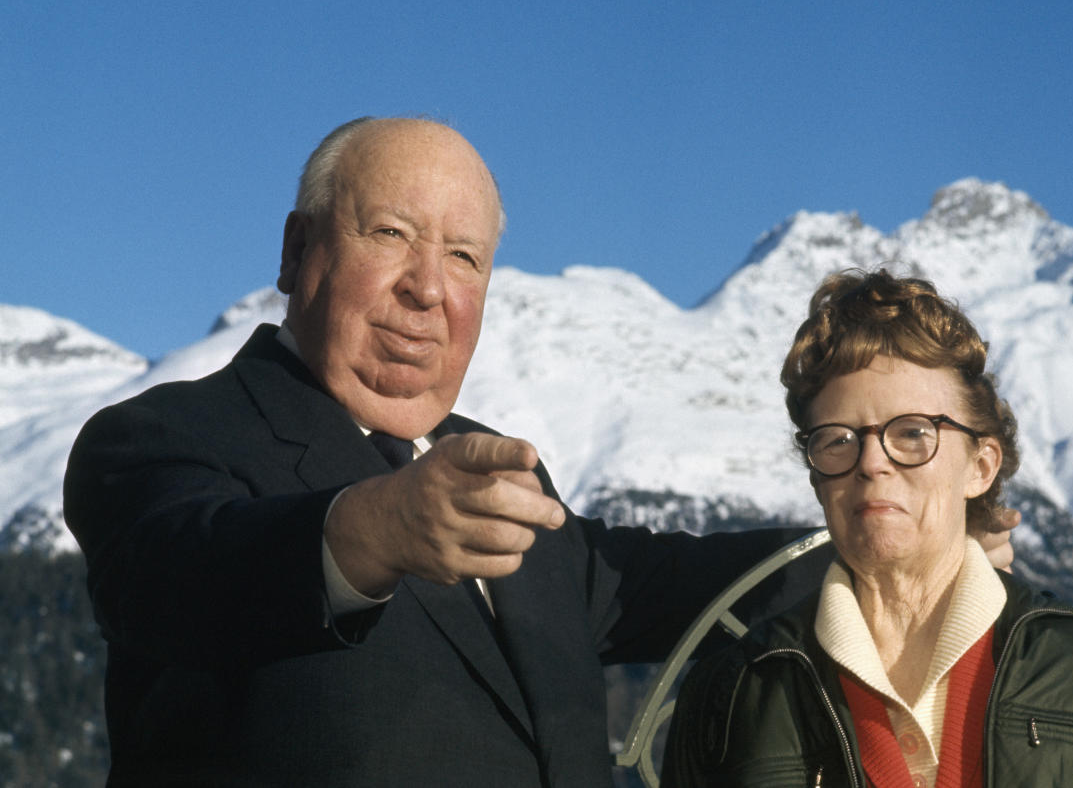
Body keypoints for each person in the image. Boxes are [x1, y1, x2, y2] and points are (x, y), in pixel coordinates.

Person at [64, 118, 1017, 787]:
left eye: (465, 258)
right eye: (390, 234)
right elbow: (179, 571)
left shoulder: (494, 470)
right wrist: (366, 532)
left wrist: (887, 542)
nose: (426, 288)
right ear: (296, 250)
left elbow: (662, 581)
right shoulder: (163, 438)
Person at [661, 269, 1073, 788]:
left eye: (913, 433)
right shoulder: (734, 695)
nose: (872, 461)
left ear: (980, 466)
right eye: (837, 439)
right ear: (817, 478)